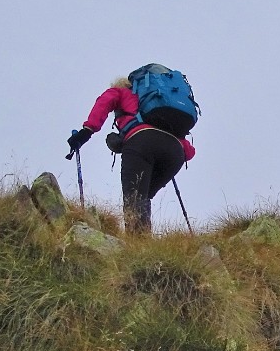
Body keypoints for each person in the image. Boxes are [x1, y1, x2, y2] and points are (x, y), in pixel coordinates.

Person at [67, 76, 196, 234]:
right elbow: (189, 153)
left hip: (141, 142)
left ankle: (138, 243)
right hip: (175, 154)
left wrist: (87, 131)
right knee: (144, 196)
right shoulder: (157, 105)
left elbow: (103, 103)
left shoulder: (120, 92)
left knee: (134, 197)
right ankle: (143, 242)